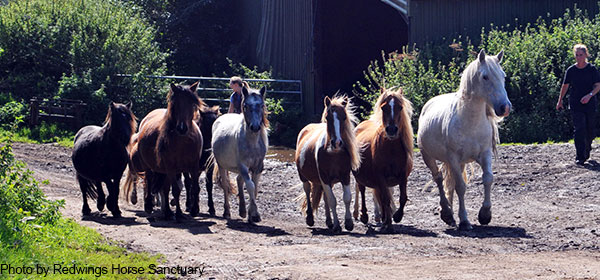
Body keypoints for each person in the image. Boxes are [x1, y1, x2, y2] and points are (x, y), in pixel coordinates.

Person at [556, 44, 600, 165]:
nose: (579, 57)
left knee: (590, 129)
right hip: (576, 103)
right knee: (579, 128)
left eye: (581, 55)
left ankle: (587, 149)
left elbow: (598, 86)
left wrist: (589, 95)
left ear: (586, 55)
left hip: (590, 103)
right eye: (577, 55)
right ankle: (580, 156)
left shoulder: (592, 69)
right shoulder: (571, 70)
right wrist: (560, 101)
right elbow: (565, 87)